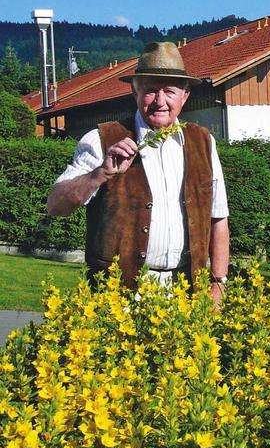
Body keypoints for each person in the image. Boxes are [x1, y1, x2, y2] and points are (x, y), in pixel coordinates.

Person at [47, 42, 229, 305]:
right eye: (150, 91)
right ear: (135, 93)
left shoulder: (203, 142)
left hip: (186, 292)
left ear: (184, 96)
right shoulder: (101, 139)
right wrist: (99, 174)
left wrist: (218, 282)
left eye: (169, 91)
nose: (160, 101)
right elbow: (56, 205)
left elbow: (218, 217)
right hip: (118, 297)